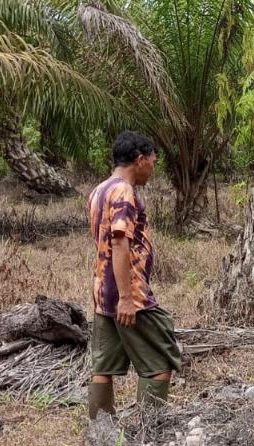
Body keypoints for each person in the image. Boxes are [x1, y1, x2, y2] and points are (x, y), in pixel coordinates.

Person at [86, 131, 181, 419]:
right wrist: (127, 297)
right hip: (130, 295)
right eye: (152, 160)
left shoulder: (99, 190)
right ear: (139, 159)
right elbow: (118, 241)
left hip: (102, 293)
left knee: (103, 368)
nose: (153, 168)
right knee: (160, 363)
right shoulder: (124, 192)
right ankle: (149, 433)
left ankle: (100, 433)